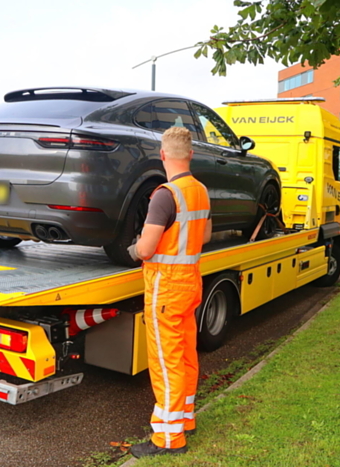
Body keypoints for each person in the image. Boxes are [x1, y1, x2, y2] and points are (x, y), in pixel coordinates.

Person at [127, 126, 212, 458]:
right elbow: (203, 238)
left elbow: (147, 248)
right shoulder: (200, 190)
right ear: (190, 155)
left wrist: (133, 249)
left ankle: (168, 439)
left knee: (165, 363)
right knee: (186, 356)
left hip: (166, 287)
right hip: (190, 282)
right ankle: (184, 419)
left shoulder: (165, 194)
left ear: (163, 155)